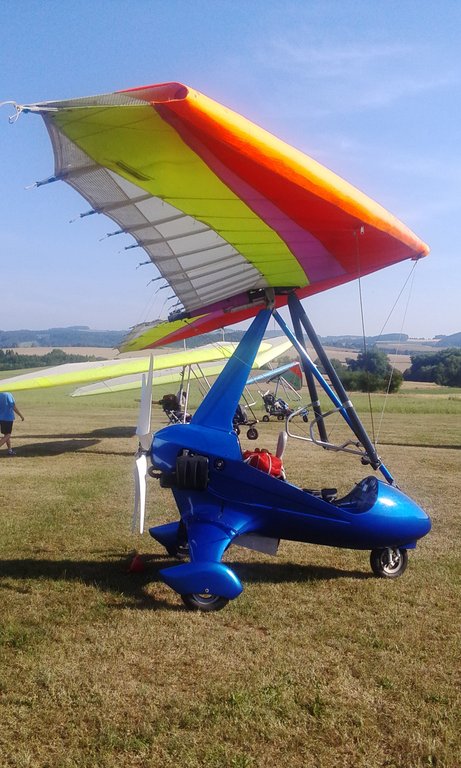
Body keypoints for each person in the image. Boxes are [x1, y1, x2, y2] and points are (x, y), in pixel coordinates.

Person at [0, 391, 25, 456]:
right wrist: (21, 415)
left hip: (1, 418)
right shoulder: (8, 394)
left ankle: (9, 450)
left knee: (6, 434)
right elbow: (13, 406)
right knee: (8, 435)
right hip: (7, 418)